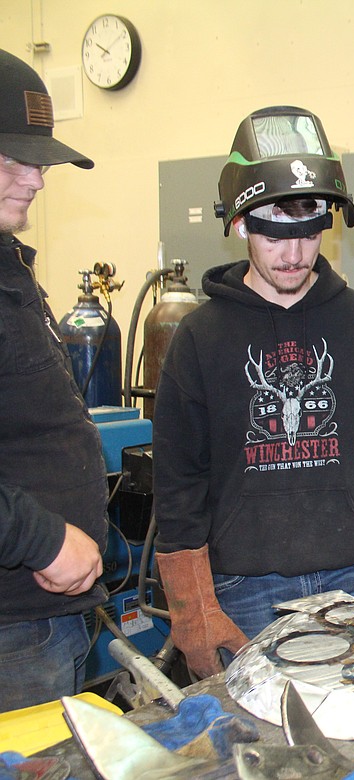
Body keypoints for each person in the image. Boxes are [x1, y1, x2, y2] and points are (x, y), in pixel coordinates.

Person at [153, 106, 354, 679]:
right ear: (242, 224)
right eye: (277, 236)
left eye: (308, 234)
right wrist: (195, 606)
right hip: (247, 592)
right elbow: (179, 485)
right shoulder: (199, 339)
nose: (295, 254)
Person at [0, 48, 105, 711]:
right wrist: (39, 538)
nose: (37, 180)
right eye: (16, 160)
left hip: (37, 619)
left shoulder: (9, 263)